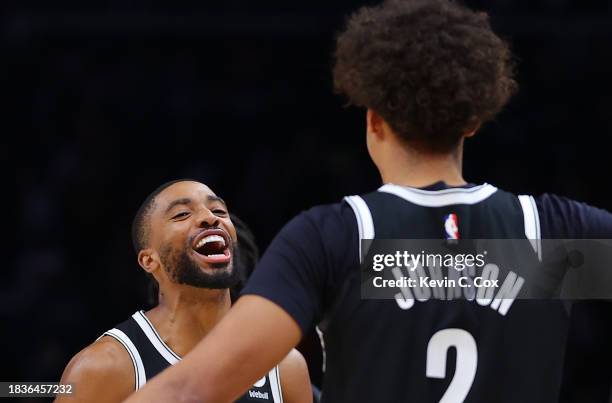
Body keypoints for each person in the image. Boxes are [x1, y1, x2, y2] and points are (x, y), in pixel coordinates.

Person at [125, 1, 612, 402]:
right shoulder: (550, 231)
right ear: (472, 121)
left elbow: (190, 389)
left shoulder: (333, 237)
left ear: (373, 119)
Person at [55, 180, 312, 403]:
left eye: (219, 210)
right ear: (149, 261)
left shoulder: (285, 367)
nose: (210, 218)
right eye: (181, 215)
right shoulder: (104, 368)